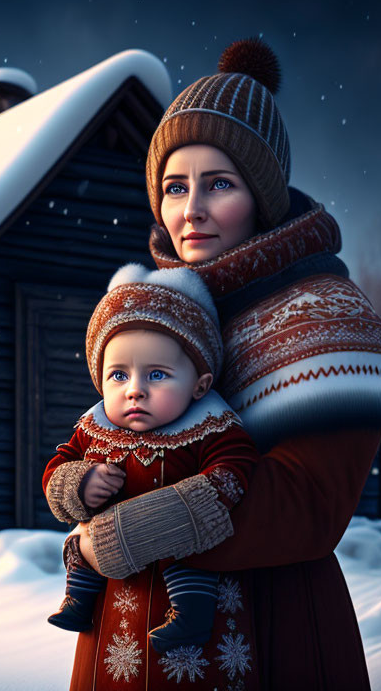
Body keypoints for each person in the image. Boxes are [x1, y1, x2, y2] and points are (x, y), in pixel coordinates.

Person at [57, 38, 381, 690]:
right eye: (174, 187)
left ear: (260, 193)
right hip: (125, 629)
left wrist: (137, 527)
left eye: (218, 184)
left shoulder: (322, 313)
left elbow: (310, 501)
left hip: (269, 623)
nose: (189, 210)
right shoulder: (152, 304)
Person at [44, 263, 259, 655]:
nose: (135, 391)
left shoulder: (208, 427)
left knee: (193, 557)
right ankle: (77, 601)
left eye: (157, 375)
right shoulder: (93, 428)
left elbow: (236, 465)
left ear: (200, 385)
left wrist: (192, 503)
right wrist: (80, 481)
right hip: (112, 600)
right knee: (78, 547)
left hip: (176, 550)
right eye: (118, 376)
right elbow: (56, 470)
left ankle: (191, 617)